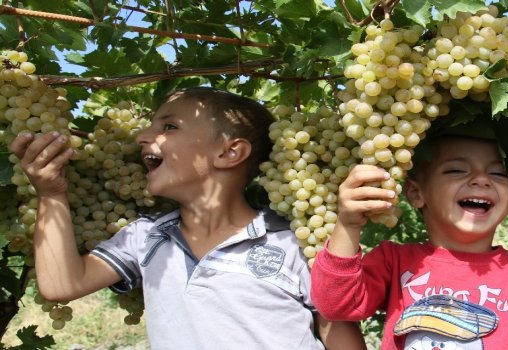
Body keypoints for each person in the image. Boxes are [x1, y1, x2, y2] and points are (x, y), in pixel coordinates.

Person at [11, 87, 366, 350]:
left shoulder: (293, 244)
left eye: (168, 126)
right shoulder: (144, 238)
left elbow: (335, 332)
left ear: (229, 152)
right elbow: (61, 285)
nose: (142, 137)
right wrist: (51, 194)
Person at [310, 122, 508, 349]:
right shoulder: (395, 261)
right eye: (457, 170)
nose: (481, 180)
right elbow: (335, 305)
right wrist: (348, 225)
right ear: (417, 193)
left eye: (498, 173)